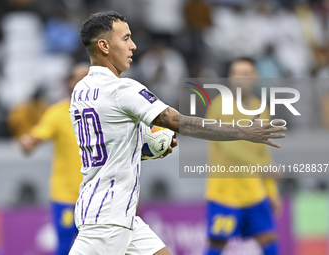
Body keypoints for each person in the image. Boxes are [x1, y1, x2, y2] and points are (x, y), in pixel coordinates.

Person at [68, 11, 286, 255]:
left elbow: (108, 145)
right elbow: (181, 123)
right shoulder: (123, 90)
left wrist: (146, 148)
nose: (133, 45)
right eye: (126, 38)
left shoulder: (80, 91)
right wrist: (242, 132)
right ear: (104, 46)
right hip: (108, 218)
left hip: (117, 213)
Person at [204, 57, 280, 255]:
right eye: (236, 73)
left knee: (269, 241)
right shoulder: (219, 106)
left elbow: (264, 150)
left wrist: (272, 192)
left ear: (255, 77)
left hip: (254, 192)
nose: (240, 78)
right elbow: (229, 146)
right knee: (216, 246)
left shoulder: (261, 109)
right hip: (224, 193)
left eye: (245, 74)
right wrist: (260, 165)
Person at [19, 63, 89, 255]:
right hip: (66, 194)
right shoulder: (57, 113)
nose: (83, 81)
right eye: (78, 77)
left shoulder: (105, 112)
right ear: (68, 83)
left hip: (95, 195)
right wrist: (29, 142)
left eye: (87, 76)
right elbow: (38, 135)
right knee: (65, 246)